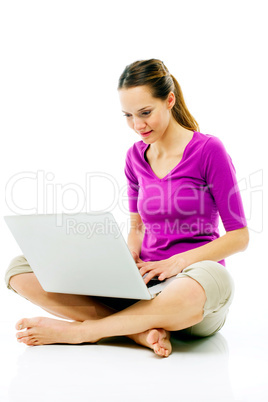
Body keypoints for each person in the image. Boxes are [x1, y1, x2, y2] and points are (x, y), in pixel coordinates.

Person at [5, 59, 249, 357]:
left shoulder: (209, 150)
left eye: (145, 113)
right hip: (142, 287)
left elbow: (240, 237)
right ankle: (138, 331)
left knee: (211, 280)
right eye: (129, 116)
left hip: (190, 287)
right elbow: (138, 227)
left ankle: (84, 331)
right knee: (20, 268)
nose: (137, 125)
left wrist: (178, 262)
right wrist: (128, 255)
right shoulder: (135, 157)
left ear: (169, 100)